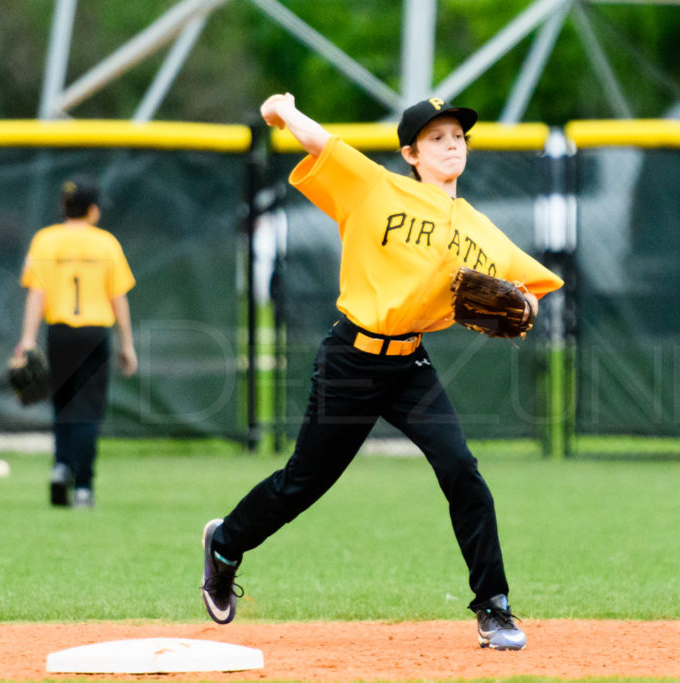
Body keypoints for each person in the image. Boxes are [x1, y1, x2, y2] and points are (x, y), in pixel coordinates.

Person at [200, 94, 563, 649]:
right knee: (303, 483)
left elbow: (533, 289)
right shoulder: (377, 187)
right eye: (437, 138)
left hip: (409, 365)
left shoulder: (481, 229)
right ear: (410, 153)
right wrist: (287, 111)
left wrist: (527, 307)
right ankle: (225, 545)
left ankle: (494, 607)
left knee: (461, 469)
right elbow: (322, 144)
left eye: (458, 137)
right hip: (351, 358)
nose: (451, 145)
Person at [14, 177, 138, 509]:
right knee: (88, 411)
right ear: (94, 210)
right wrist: (127, 344)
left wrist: (27, 339)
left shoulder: (45, 240)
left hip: (60, 333)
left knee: (64, 404)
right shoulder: (106, 243)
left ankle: (61, 466)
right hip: (94, 333)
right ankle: (83, 486)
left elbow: (36, 295)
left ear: (63, 206)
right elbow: (118, 298)